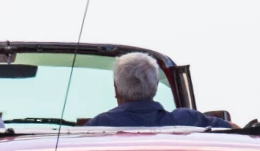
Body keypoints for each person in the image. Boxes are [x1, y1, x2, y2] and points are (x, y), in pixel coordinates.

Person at [85, 52, 233, 129]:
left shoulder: (97, 126)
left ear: (116, 89)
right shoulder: (188, 119)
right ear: (155, 86)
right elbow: (238, 132)